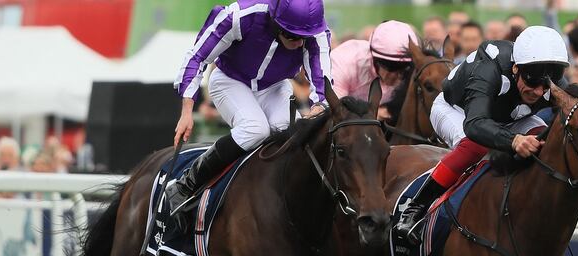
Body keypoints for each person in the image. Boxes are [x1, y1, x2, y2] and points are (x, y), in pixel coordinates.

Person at [394, 26, 569, 242]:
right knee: (475, 144)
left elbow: (573, 103)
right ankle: (415, 210)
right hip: (457, 111)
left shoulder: (543, 73)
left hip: (508, 117)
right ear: (515, 68)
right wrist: (513, 140)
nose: (539, 92)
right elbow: (475, 124)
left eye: (546, 85)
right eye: (532, 82)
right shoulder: (490, 67)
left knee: (544, 139)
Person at [168, 0, 331, 214]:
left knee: (293, 136)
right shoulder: (240, 15)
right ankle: (187, 183)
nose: (300, 44)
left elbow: (323, 79)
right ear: (275, 22)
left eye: (304, 38)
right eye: (292, 36)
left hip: (275, 86)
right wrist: (187, 111)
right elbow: (197, 57)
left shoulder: (314, 30)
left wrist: (320, 105)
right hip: (229, 81)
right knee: (256, 129)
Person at [330, 20, 419, 121]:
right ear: (374, 58)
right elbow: (335, 113)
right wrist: (374, 114)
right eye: (390, 66)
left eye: (403, 68)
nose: (396, 75)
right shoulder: (344, 61)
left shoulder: (414, 69)